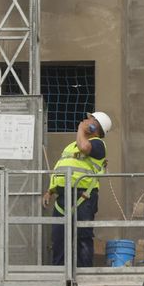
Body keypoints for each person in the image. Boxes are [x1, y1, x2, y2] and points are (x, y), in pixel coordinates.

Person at [43, 111, 113, 267]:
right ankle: (59, 274)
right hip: (63, 197)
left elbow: (84, 147)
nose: (85, 121)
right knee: (59, 238)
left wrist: (81, 129)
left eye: (90, 120)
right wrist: (50, 191)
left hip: (83, 197)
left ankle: (85, 273)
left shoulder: (98, 144)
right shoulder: (72, 146)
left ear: (96, 126)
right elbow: (62, 168)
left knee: (83, 237)